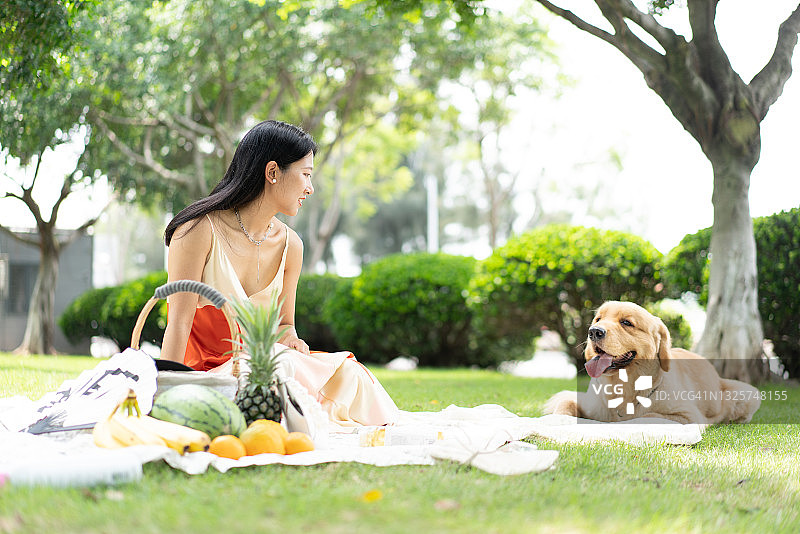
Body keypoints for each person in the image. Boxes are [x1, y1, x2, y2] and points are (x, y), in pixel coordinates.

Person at [161, 119, 398, 427]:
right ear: (272, 172)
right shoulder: (197, 231)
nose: (310, 188)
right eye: (305, 175)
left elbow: (285, 325)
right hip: (212, 376)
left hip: (267, 366)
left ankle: (341, 422)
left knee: (350, 373)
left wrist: (292, 338)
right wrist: (166, 396)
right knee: (278, 367)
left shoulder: (291, 245)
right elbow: (179, 323)